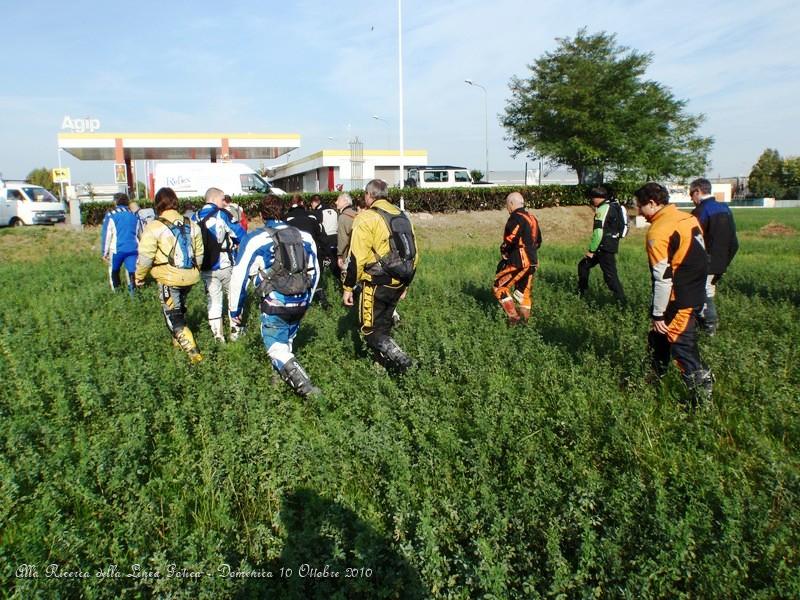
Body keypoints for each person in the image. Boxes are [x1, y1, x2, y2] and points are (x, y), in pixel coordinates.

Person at [229, 195, 321, 397]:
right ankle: (278, 391)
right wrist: (308, 301)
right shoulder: (304, 236)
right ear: (284, 212)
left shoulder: (256, 238)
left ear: (262, 215)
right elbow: (315, 273)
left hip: (275, 302)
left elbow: (239, 277)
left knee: (276, 349)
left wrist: (235, 311)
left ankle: (308, 389)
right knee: (286, 344)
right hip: (301, 300)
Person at [634, 182, 713, 404]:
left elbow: (663, 277)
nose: (638, 211)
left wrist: (658, 314)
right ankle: (652, 384)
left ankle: (702, 401)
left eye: (640, 206)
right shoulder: (688, 218)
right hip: (696, 292)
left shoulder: (658, 231)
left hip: (679, 298)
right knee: (657, 340)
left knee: (681, 346)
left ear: (652, 203)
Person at [342, 179, 418, 373]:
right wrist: (406, 284)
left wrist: (348, 287)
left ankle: (401, 360)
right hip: (400, 280)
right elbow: (414, 252)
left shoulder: (366, 217)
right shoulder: (402, 216)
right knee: (383, 326)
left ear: (369, 195)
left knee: (369, 330)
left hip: (376, 283)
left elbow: (356, 257)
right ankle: (380, 367)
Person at [135, 187, 204, 364]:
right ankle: (178, 348)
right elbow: (199, 254)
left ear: (158, 204)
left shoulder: (154, 226)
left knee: (173, 316)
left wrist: (139, 276)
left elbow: (145, 257)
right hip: (189, 277)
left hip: (168, 278)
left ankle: (194, 356)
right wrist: (193, 272)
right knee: (179, 308)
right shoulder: (192, 224)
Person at [193, 188, 246, 342]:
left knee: (214, 301)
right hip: (225, 264)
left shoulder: (194, 217)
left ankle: (218, 337)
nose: (225, 202)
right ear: (215, 199)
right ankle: (235, 333)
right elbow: (240, 236)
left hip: (205, 267)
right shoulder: (222, 215)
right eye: (223, 199)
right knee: (233, 298)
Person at [689, 177, 739, 335]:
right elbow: (734, 241)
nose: (691, 199)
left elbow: (693, 241)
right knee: (708, 290)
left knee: (701, 294)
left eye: (691, 194)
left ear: (698, 191)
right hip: (722, 261)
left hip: (705, 262)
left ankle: (708, 328)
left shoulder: (700, 211)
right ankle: (705, 327)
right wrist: (725, 261)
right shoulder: (725, 208)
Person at [493, 192, 542, 325]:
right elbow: (538, 241)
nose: (507, 208)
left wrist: (504, 250)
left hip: (519, 261)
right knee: (523, 294)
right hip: (532, 262)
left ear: (512, 204)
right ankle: (524, 324)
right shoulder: (532, 218)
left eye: (508, 205)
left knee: (499, 287)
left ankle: (513, 319)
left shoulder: (516, 217)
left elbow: (511, 238)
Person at [577, 185, 626, 303]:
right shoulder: (614, 206)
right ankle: (581, 293)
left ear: (599, 197)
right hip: (607, 245)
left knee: (610, 276)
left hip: (603, 248)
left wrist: (591, 250)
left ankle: (622, 302)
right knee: (583, 265)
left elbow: (599, 232)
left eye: (592, 198)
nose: (591, 200)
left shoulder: (603, 209)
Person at [286, 194, 330, 308]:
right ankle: (320, 298)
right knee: (316, 276)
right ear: (302, 204)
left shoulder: (285, 218)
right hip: (313, 252)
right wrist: (326, 253)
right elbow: (322, 236)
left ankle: (297, 301)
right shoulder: (313, 216)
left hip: (293, 254)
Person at [100, 192, 141, 296]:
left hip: (117, 249)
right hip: (133, 249)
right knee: (132, 272)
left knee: (114, 271)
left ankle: (117, 294)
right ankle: (133, 294)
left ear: (115, 202)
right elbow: (139, 233)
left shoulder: (111, 215)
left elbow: (107, 235)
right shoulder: (134, 215)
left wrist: (104, 253)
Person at [335, 192, 359, 276]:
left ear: (345, 201)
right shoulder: (357, 214)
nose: (336, 202)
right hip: (360, 254)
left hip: (349, 257)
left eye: (338, 200)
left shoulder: (343, 217)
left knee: (347, 282)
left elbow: (343, 239)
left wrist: (340, 256)